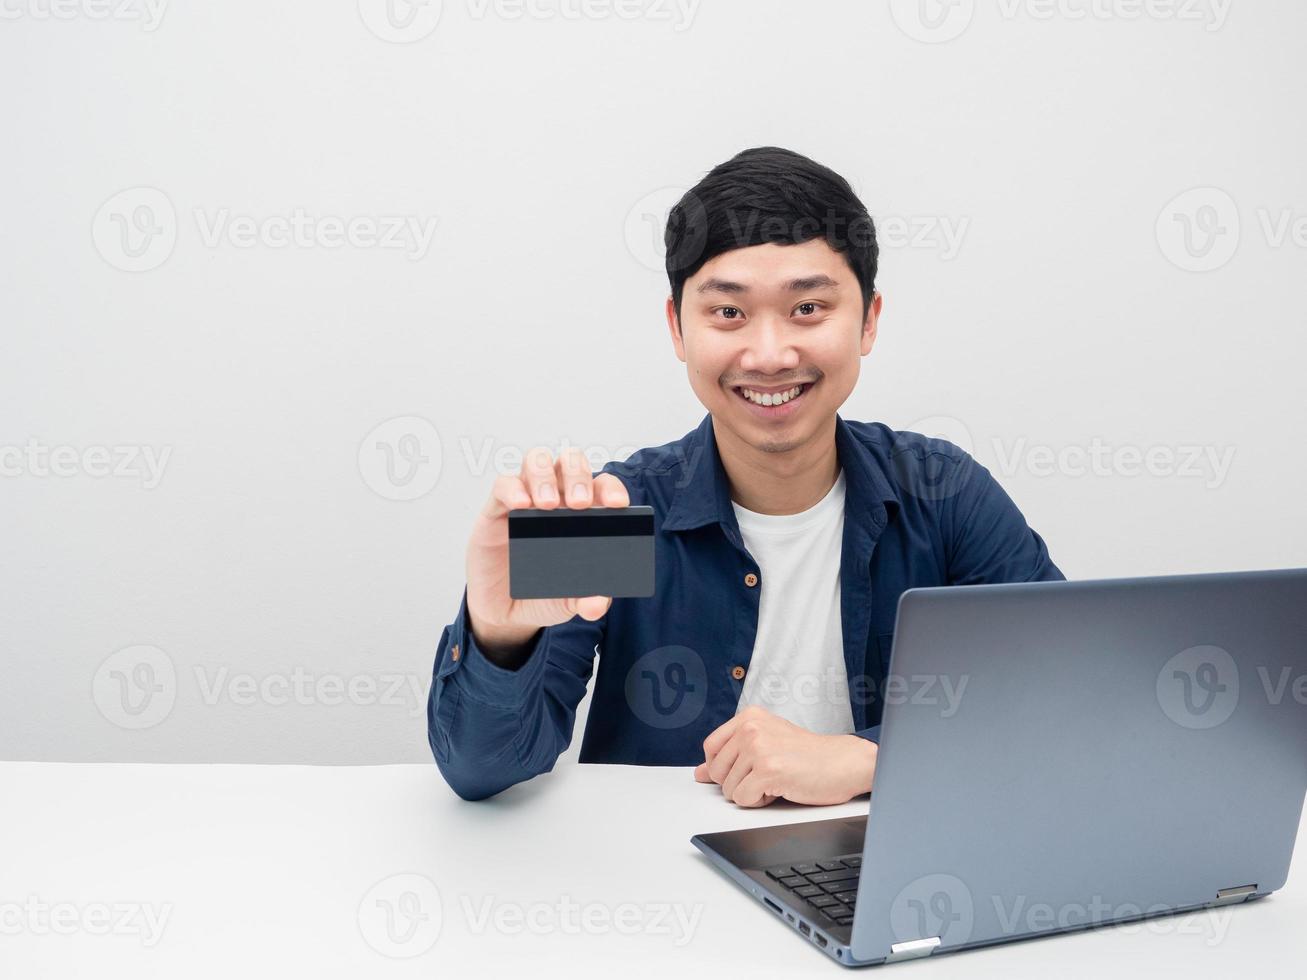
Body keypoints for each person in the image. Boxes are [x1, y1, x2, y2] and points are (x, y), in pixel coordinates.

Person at [427, 146, 1064, 805]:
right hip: (659, 882)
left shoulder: (943, 493)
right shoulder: (617, 512)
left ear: (869, 320)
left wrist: (870, 758)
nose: (768, 355)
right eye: (728, 313)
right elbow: (482, 770)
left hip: (883, 874)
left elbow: (1065, 690)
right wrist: (499, 634)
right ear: (677, 328)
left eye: (808, 309)